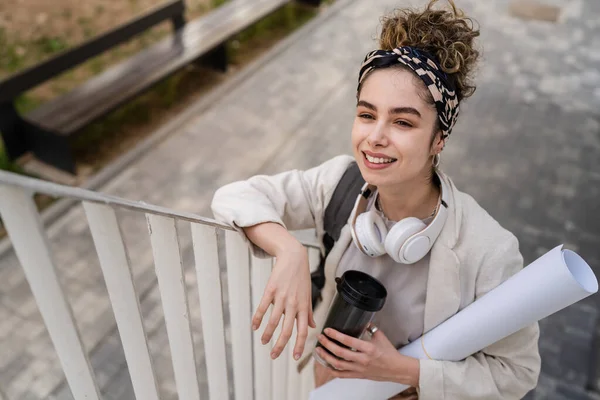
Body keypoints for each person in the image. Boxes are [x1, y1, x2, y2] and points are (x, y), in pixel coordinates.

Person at [211, 0, 541, 398]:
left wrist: (404, 371)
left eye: (402, 122)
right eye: (367, 115)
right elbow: (235, 195)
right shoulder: (340, 184)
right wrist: (289, 251)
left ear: (439, 139)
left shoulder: (489, 250)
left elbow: (517, 374)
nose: (375, 137)